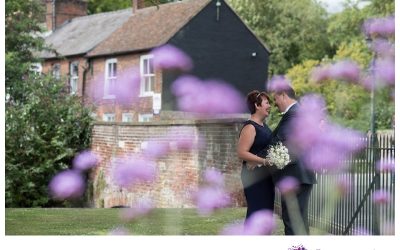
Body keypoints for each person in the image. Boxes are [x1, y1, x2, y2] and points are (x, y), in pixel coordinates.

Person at [269, 85, 316, 235]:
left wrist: (259, 158)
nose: (275, 103)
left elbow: (279, 141)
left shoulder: (294, 114)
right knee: (297, 222)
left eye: (276, 99)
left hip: (296, 176)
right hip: (299, 176)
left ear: (283, 95)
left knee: (293, 222)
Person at [237, 90, 275, 220]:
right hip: (253, 176)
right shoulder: (250, 127)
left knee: (266, 213)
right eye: (266, 103)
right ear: (257, 105)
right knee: (257, 212)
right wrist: (263, 161)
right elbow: (241, 153)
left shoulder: (264, 126)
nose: (269, 106)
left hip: (265, 176)